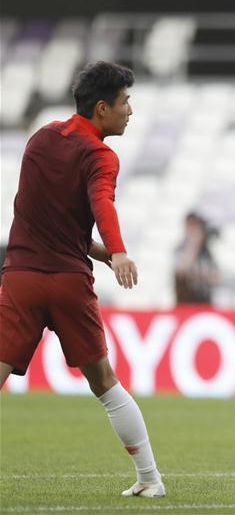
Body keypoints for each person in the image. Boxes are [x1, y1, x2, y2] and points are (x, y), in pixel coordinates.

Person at [0, 61, 165, 498]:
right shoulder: (101, 154)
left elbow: (40, 217)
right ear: (101, 108)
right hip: (68, 283)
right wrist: (119, 251)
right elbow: (101, 204)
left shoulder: (40, 139)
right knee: (106, 384)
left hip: (21, 278)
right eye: (125, 102)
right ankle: (150, 479)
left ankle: (149, 480)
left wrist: (105, 254)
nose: (130, 110)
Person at [174, 212, 220, 305]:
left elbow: (217, 277)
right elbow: (181, 271)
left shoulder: (206, 253)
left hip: (205, 303)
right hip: (185, 304)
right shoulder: (181, 249)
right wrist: (194, 243)